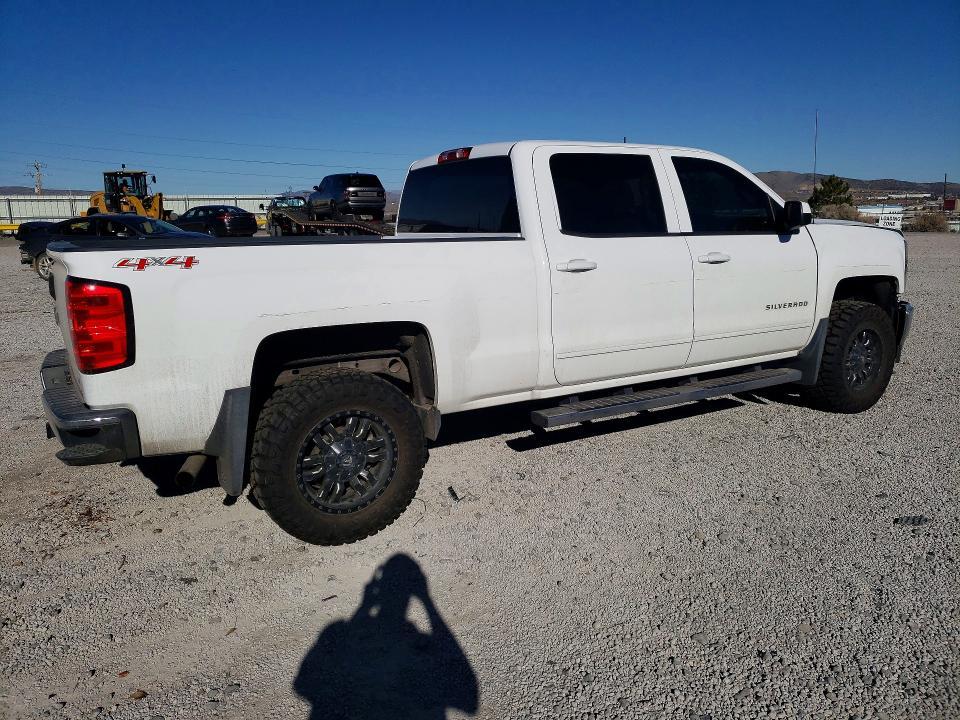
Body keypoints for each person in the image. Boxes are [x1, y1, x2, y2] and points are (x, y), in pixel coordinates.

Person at [294, 554, 478, 719]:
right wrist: (427, 600)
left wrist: (364, 607)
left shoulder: (340, 632)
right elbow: (469, 698)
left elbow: (304, 684)